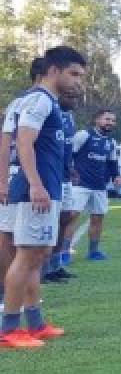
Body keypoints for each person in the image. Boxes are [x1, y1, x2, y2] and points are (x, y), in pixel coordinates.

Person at [1, 45, 86, 348]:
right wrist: (37, 185)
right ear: (53, 71)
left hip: (26, 188)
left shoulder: (30, 100)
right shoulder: (41, 100)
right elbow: (24, 143)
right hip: (35, 190)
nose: (78, 82)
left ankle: (35, 323)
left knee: (33, 257)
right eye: (74, 74)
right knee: (27, 258)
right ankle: (9, 329)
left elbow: (9, 142)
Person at [0, 57, 46, 306]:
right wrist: (3, 181)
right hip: (20, 176)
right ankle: (8, 296)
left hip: (28, 177)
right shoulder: (26, 102)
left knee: (28, 245)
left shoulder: (45, 103)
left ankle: (20, 296)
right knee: (11, 239)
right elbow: (6, 144)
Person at [64, 109, 121, 261]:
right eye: (107, 119)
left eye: (112, 120)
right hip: (80, 185)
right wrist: (70, 172)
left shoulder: (111, 142)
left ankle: (93, 251)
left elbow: (112, 162)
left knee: (97, 219)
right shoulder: (84, 135)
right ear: (97, 120)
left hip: (100, 187)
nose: (110, 123)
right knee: (72, 217)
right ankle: (63, 252)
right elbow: (69, 154)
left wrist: (117, 176)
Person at [43, 86, 81, 282]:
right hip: (50, 177)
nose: (74, 99)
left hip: (65, 177)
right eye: (70, 96)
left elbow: (66, 147)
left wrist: (71, 167)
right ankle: (43, 268)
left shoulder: (70, 118)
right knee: (47, 222)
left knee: (64, 219)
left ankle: (55, 265)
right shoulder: (48, 111)